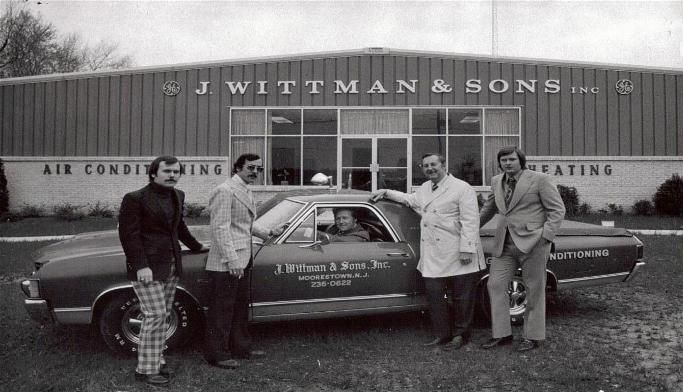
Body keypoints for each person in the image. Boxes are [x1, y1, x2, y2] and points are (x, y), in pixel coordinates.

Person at [371, 153, 485, 349]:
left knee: (462, 298)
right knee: (435, 295)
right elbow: (410, 200)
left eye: (434, 164)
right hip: (433, 252)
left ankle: (461, 335)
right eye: (426, 166)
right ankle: (442, 334)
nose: (430, 168)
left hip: (458, 251)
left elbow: (470, 222)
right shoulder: (425, 188)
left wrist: (467, 249)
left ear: (444, 165)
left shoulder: (461, 188)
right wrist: (386, 192)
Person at [118, 155, 207, 386]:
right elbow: (129, 236)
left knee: (163, 315)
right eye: (167, 171)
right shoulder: (135, 199)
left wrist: (196, 246)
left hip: (171, 264)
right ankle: (145, 369)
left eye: (176, 171)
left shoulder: (178, 195)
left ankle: (156, 359)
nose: (172, 175)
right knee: (155, 315)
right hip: (147, 267)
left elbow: (179, 227)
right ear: (153, 173)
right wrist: (141, 266)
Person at [203, 153, 286, 369]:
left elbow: (245, 224)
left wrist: (268, 232)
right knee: (222, 310)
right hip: (226, 262)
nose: (255, 172)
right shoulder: (224, 190)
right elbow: (220, 228)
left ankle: (241, 348)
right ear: (237, 167)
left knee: (240, 308)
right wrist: (231, 261)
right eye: (251, 168)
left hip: (243, 257)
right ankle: (218, 355)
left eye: (259, 169)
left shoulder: (246, 189)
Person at [479, 146, 565, 352]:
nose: (507, 163)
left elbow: (557, 210)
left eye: (511, 159)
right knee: (495, 285)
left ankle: (532, 337)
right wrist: (467, 228)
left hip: (533, 243)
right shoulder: (496, 181)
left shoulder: (540, 179)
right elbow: (489, 209)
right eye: (503, 160)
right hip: (504, 244)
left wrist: (545, 237)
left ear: (521, 161)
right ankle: (502, 334)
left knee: (534, 289)